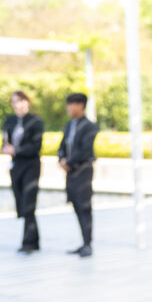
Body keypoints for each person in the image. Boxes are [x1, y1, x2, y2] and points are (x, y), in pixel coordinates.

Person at [1, 91, 44, 253]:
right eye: (14, 102)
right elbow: (5, 141)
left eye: (20, 101)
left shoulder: (35, 122)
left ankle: (29, 241)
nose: (17, 105)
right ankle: (34, 240)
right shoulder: (10, 121)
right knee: (22, 202)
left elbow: (36, 146)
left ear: (27, 102)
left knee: (28, 202)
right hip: (16, 167)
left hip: (31, 166)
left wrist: (17, 150)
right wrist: (5, 149)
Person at [57, 93, 97, 257]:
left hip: (82, 170)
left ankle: (88, 243)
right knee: (76, 205)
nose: (68, 108)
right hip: (71, 172)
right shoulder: (69, 125)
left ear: (81, 105)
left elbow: (85, 148)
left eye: (71, 104)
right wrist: (61, 159)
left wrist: (69, 162)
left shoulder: (90, 126)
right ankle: (83, 242)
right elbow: (62, 145)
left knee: (84, 206)